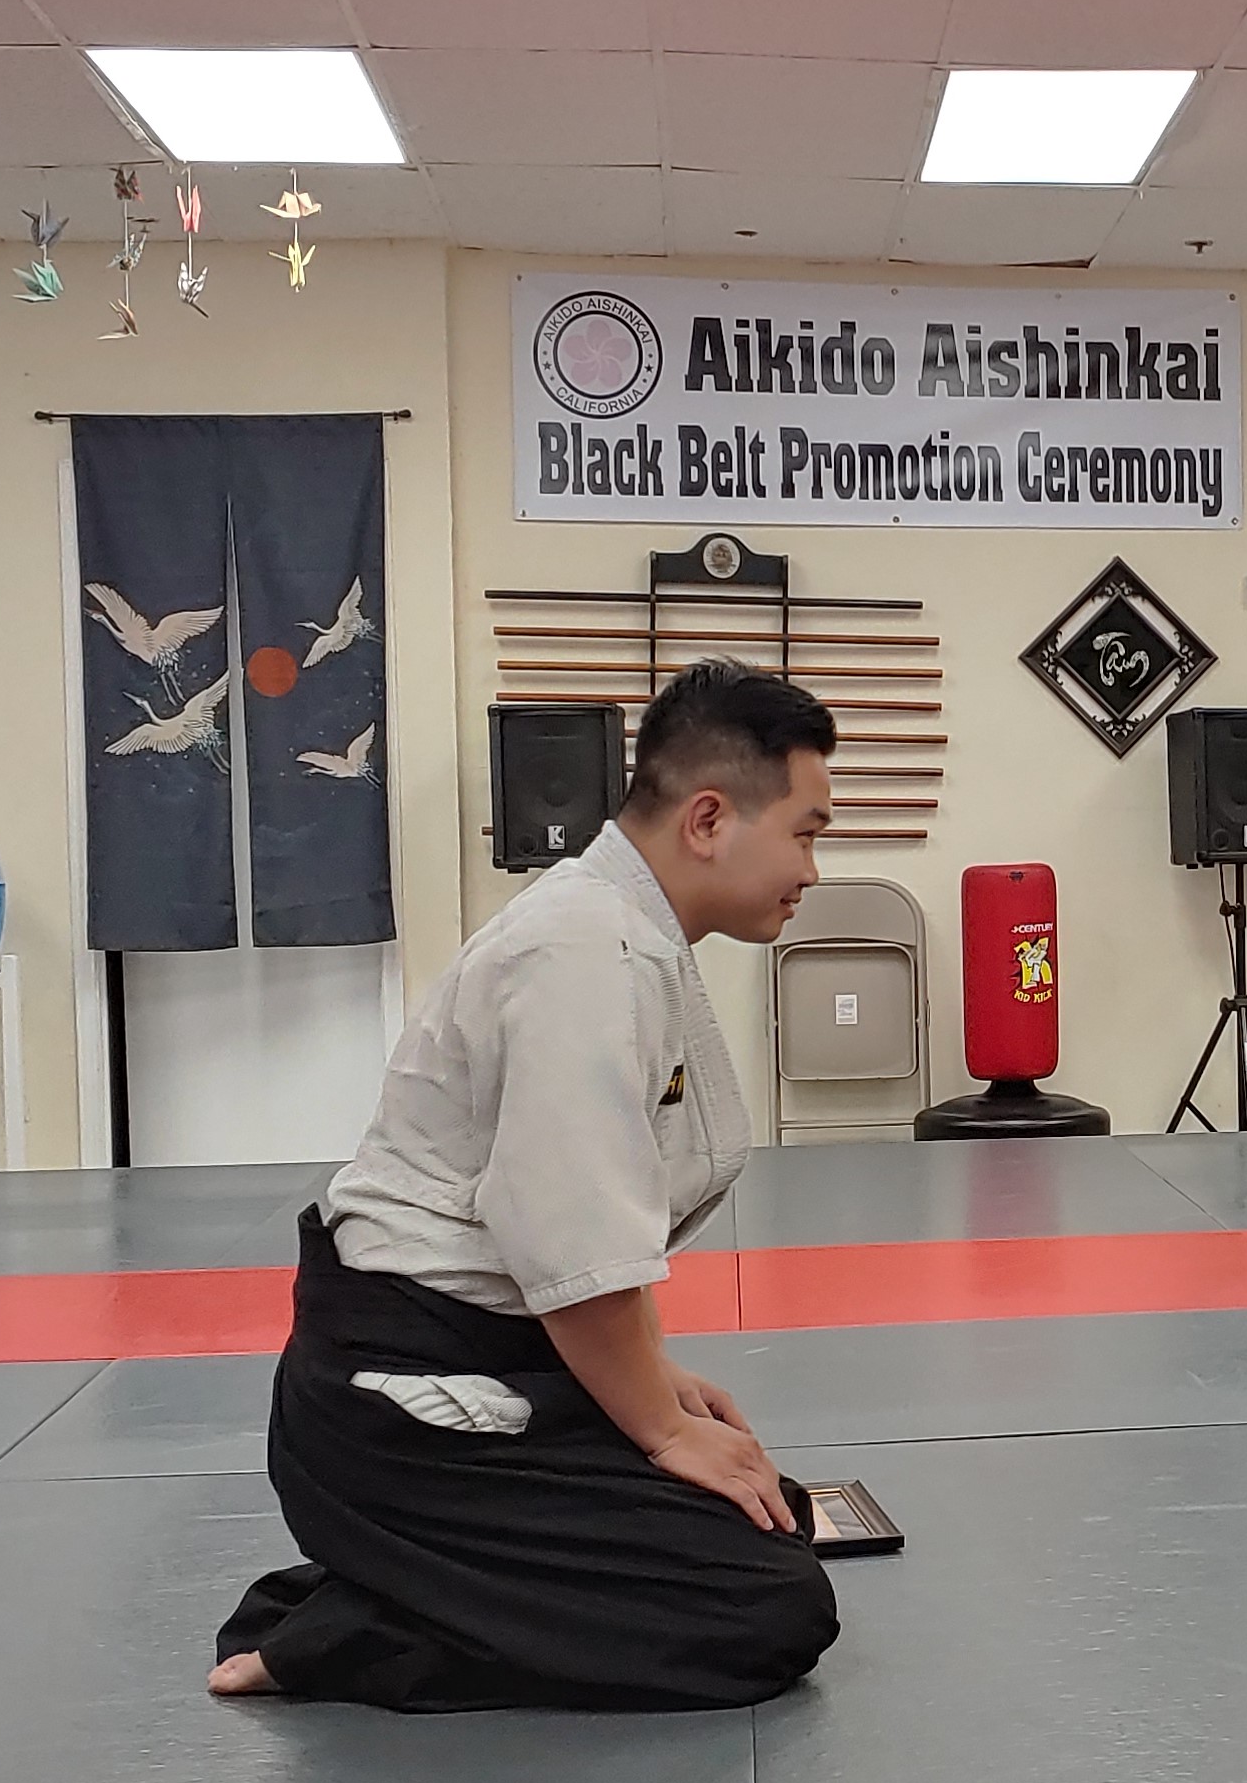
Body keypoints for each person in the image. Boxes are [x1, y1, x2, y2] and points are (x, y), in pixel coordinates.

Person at [209, 662, 845, 1711]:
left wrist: (652, 1376)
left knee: (761, 1505)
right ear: (708, 819)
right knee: (765, 1609)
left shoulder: (618, 929)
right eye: (807, 831)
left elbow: (589, 1217)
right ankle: (357, 1630)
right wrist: (662, 1429)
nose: (814, 868)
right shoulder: (583, 954)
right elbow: (565, 1235)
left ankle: (425, 1580)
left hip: (479, 1351)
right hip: (394, 1409)